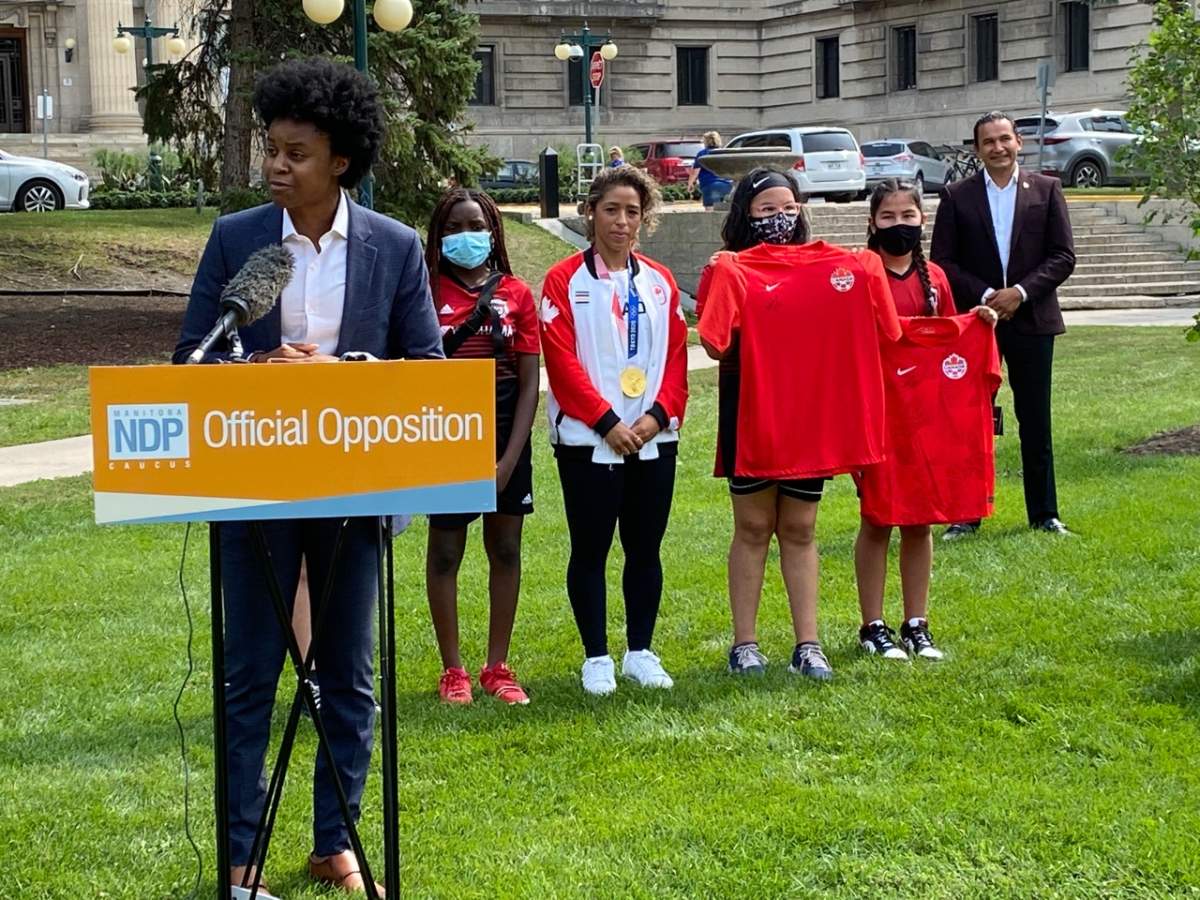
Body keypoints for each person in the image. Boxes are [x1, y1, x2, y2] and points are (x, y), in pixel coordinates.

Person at [173, 57, 444, 897]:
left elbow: (426, 366)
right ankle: (240, 853)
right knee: (251, 672)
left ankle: (338, 841)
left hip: (356, 489)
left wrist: (346, 370)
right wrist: (254, 369)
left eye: (296, 152)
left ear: (342, 162)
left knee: (348, 674)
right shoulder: (235, 239)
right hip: (254, 488)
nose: (277, 165)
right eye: (271, 149)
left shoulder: (394, 247)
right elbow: (191, 358)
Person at [698, 168, 901, 681]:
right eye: (766, 210)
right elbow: (714, 342)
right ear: (746, 215)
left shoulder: (842, 267)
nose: (779, 218)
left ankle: (807, 644)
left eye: (787, 207)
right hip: (750, 411)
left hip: (811, 416)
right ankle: (744, 644)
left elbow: (890, 330)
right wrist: (720, 279)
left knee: (801, 528)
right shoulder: (734, 269)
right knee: (751, 526)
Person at [540, 165, 689, 696]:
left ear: (643, 217)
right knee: (590, 549)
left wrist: (653, 419)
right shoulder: (564, 280)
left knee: (645, 548)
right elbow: (561, 362)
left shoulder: (659, 280)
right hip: (587, 441)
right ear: (590, 213)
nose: (621, 222)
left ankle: (640, 651)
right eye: (611, 210)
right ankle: (596, 655)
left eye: (632, 211)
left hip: (653, 440)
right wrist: (606, 422)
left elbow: (675, 359)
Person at [853, 178, 999, 662]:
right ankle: (872, 624)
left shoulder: (934, 276)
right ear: (872, 221)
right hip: (876, 414)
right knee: (877, 518)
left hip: (924, 419)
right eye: (889, 217)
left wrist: (980, 323)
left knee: (920, 521)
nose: (900, 225)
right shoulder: (858, 271)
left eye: (908, 217)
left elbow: (950, 343)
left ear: (922, 220)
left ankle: (917, 621)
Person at [931, 111, 1076, 539]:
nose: (998, 147)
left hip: (1033, 318)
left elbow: (1062, 256)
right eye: (988, 142)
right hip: (977, 324)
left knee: (1035, 418)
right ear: (976, 150)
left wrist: (1020, 293)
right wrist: (987, 298)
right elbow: (944, 261)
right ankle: (965, 514)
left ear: (1018, 143)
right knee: (971, 420)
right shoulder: (957, 195)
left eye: (1004, 139)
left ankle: (1044, 514)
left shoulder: (1046, 190)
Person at [423, 188, 540, 706]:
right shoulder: (424, 292)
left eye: (476, 225)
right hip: (447, 435)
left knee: (506, 548)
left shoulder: (516, 293)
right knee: (446, 550)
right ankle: (453, 670)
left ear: (493, 231)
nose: (465, 236)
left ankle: (497, 664)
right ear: (439, 235)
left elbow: (530, 382)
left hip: (505, 434)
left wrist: (507, 460)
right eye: (454, 227)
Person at [687, 131, 734, 211]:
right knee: (725, 212)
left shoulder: (702, 154)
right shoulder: (724, 153)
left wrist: (690, 184)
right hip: (727, 185)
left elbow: (695, 172)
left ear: (706, 142)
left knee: (710, 211)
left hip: (710, 185)